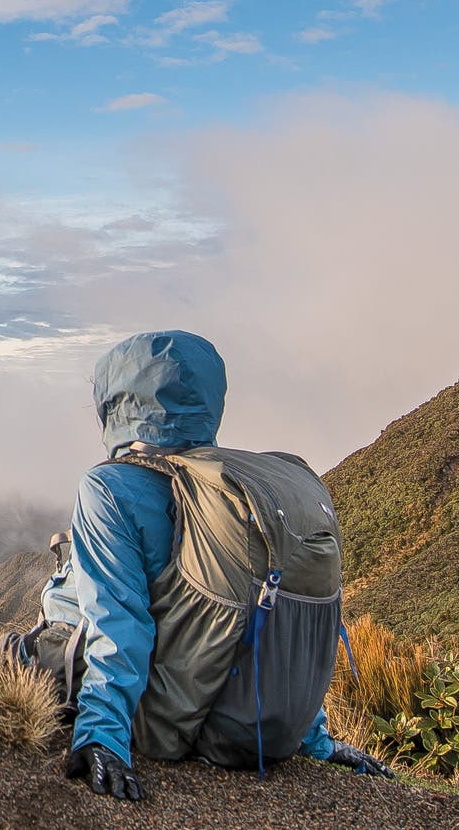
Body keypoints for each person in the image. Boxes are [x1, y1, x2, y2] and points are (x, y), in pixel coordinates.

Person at [62, 330, 391, 800]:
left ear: (116, 402)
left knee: (11, 648)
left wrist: (101, 735)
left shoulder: (110, 489)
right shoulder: (241, 494)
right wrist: (313, 739)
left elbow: (118, 625)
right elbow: (274, 619)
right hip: (254, 724)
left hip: (169, 724)